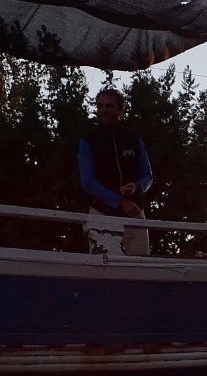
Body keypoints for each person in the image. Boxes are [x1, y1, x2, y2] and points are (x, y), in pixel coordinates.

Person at [78, 88, 153, 256]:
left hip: (135, 212)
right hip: (101, 212)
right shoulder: (89, 140)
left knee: (140, 268)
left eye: (109, 106)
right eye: (100, 106)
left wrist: (137, 187)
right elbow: (88, 182)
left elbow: (148, 175)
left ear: (121, 110)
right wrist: (119, 202)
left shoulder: (133, 138)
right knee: (103, 270)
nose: (103, 110)